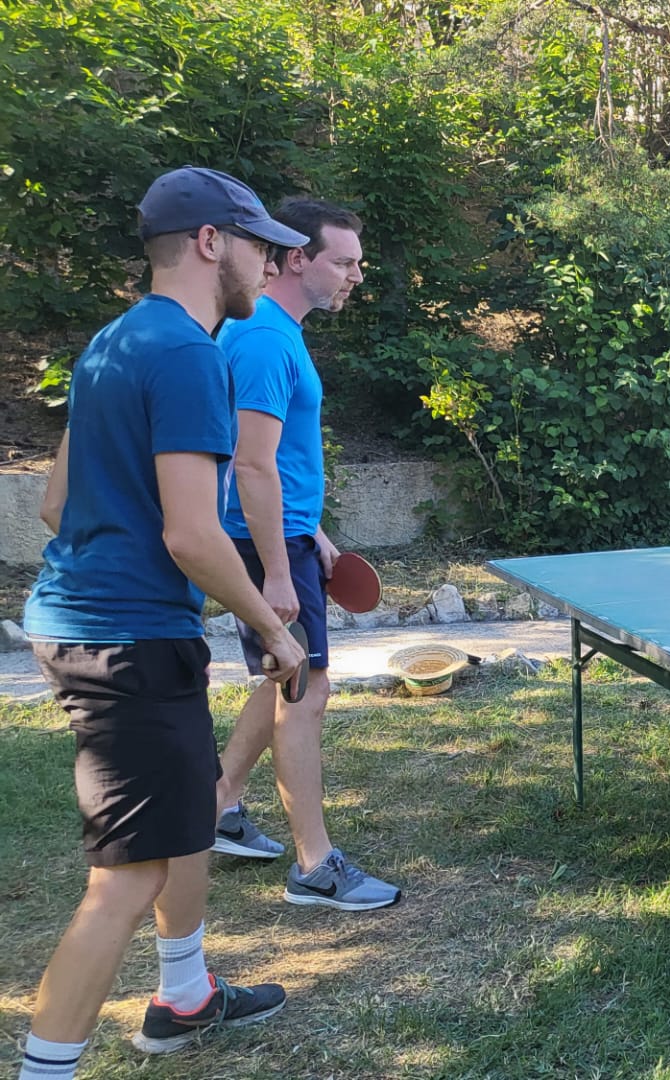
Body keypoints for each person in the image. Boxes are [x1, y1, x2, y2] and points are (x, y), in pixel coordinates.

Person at [16, 166, 308, 1079]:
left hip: (97, 625)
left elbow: (56, 505)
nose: (271, 263)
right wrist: (274, 628)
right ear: (212, 243)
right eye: (259, 245)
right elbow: (191, 534)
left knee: (187, 816)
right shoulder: (187, 353)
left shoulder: (113, 341)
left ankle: (184, 997)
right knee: (126, 877)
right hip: (124, 640)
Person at [208, 199, 399, 911]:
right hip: (267, 546)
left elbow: (275, 459)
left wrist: (310, 530)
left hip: (286, 535)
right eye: (344, 262)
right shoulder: (263, 338)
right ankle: (315, 866)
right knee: (305, 692)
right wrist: (279, 570)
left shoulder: (273, 330)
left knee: (282, 679)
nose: (356, 276)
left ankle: (216, 805)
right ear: (297, 258)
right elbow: (250, 463)